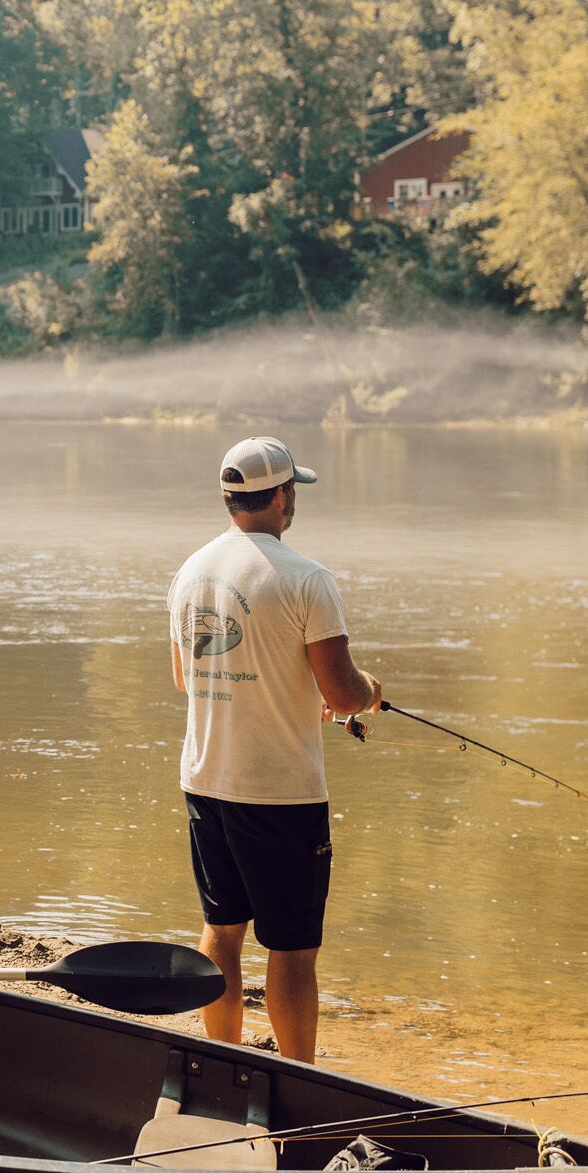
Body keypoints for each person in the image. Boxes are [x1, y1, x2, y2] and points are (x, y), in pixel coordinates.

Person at [165, 435, 381, 1065]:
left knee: (221, 930)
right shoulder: (307, 579)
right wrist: (371, 694)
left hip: (205, 779)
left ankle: (226, 1065)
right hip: (281, 794)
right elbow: (341, 692)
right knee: (290, 947)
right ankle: (298, 1077)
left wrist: (296, 690)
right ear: (283, 496)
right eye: (294, 491)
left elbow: (189, 677)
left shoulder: (191, 570)